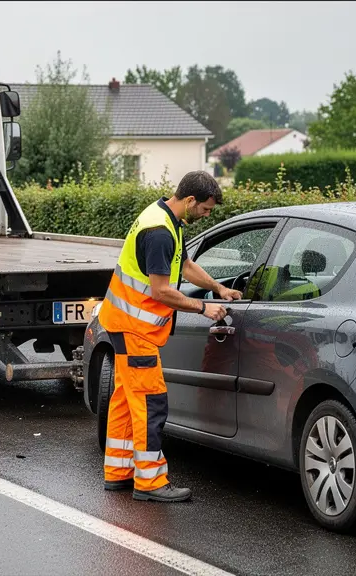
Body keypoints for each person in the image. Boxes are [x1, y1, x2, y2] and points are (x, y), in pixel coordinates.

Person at [98, 170, 241, 503]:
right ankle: (150, 483)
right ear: (190, 200)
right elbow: (161, 291)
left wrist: (218, 287)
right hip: (135, 328)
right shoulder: (160, 231)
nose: (207, 215)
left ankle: (118, 472)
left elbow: (185, 266)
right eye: (205, 209)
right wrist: (202, 308)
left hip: (124, 323)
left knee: (124, 398)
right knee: (151, 403)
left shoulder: (166, 218)